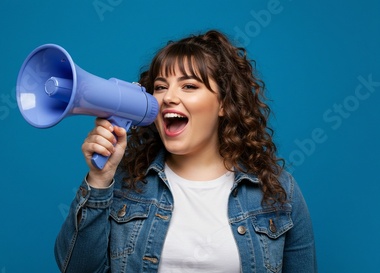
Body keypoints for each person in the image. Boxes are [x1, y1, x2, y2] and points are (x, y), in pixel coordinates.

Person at [54, 29, 317, 273]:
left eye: (189, 86)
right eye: (160, 87)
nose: (168, 97)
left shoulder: (278, 191)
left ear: (224, 103)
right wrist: (99, 181)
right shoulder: (123, 184)